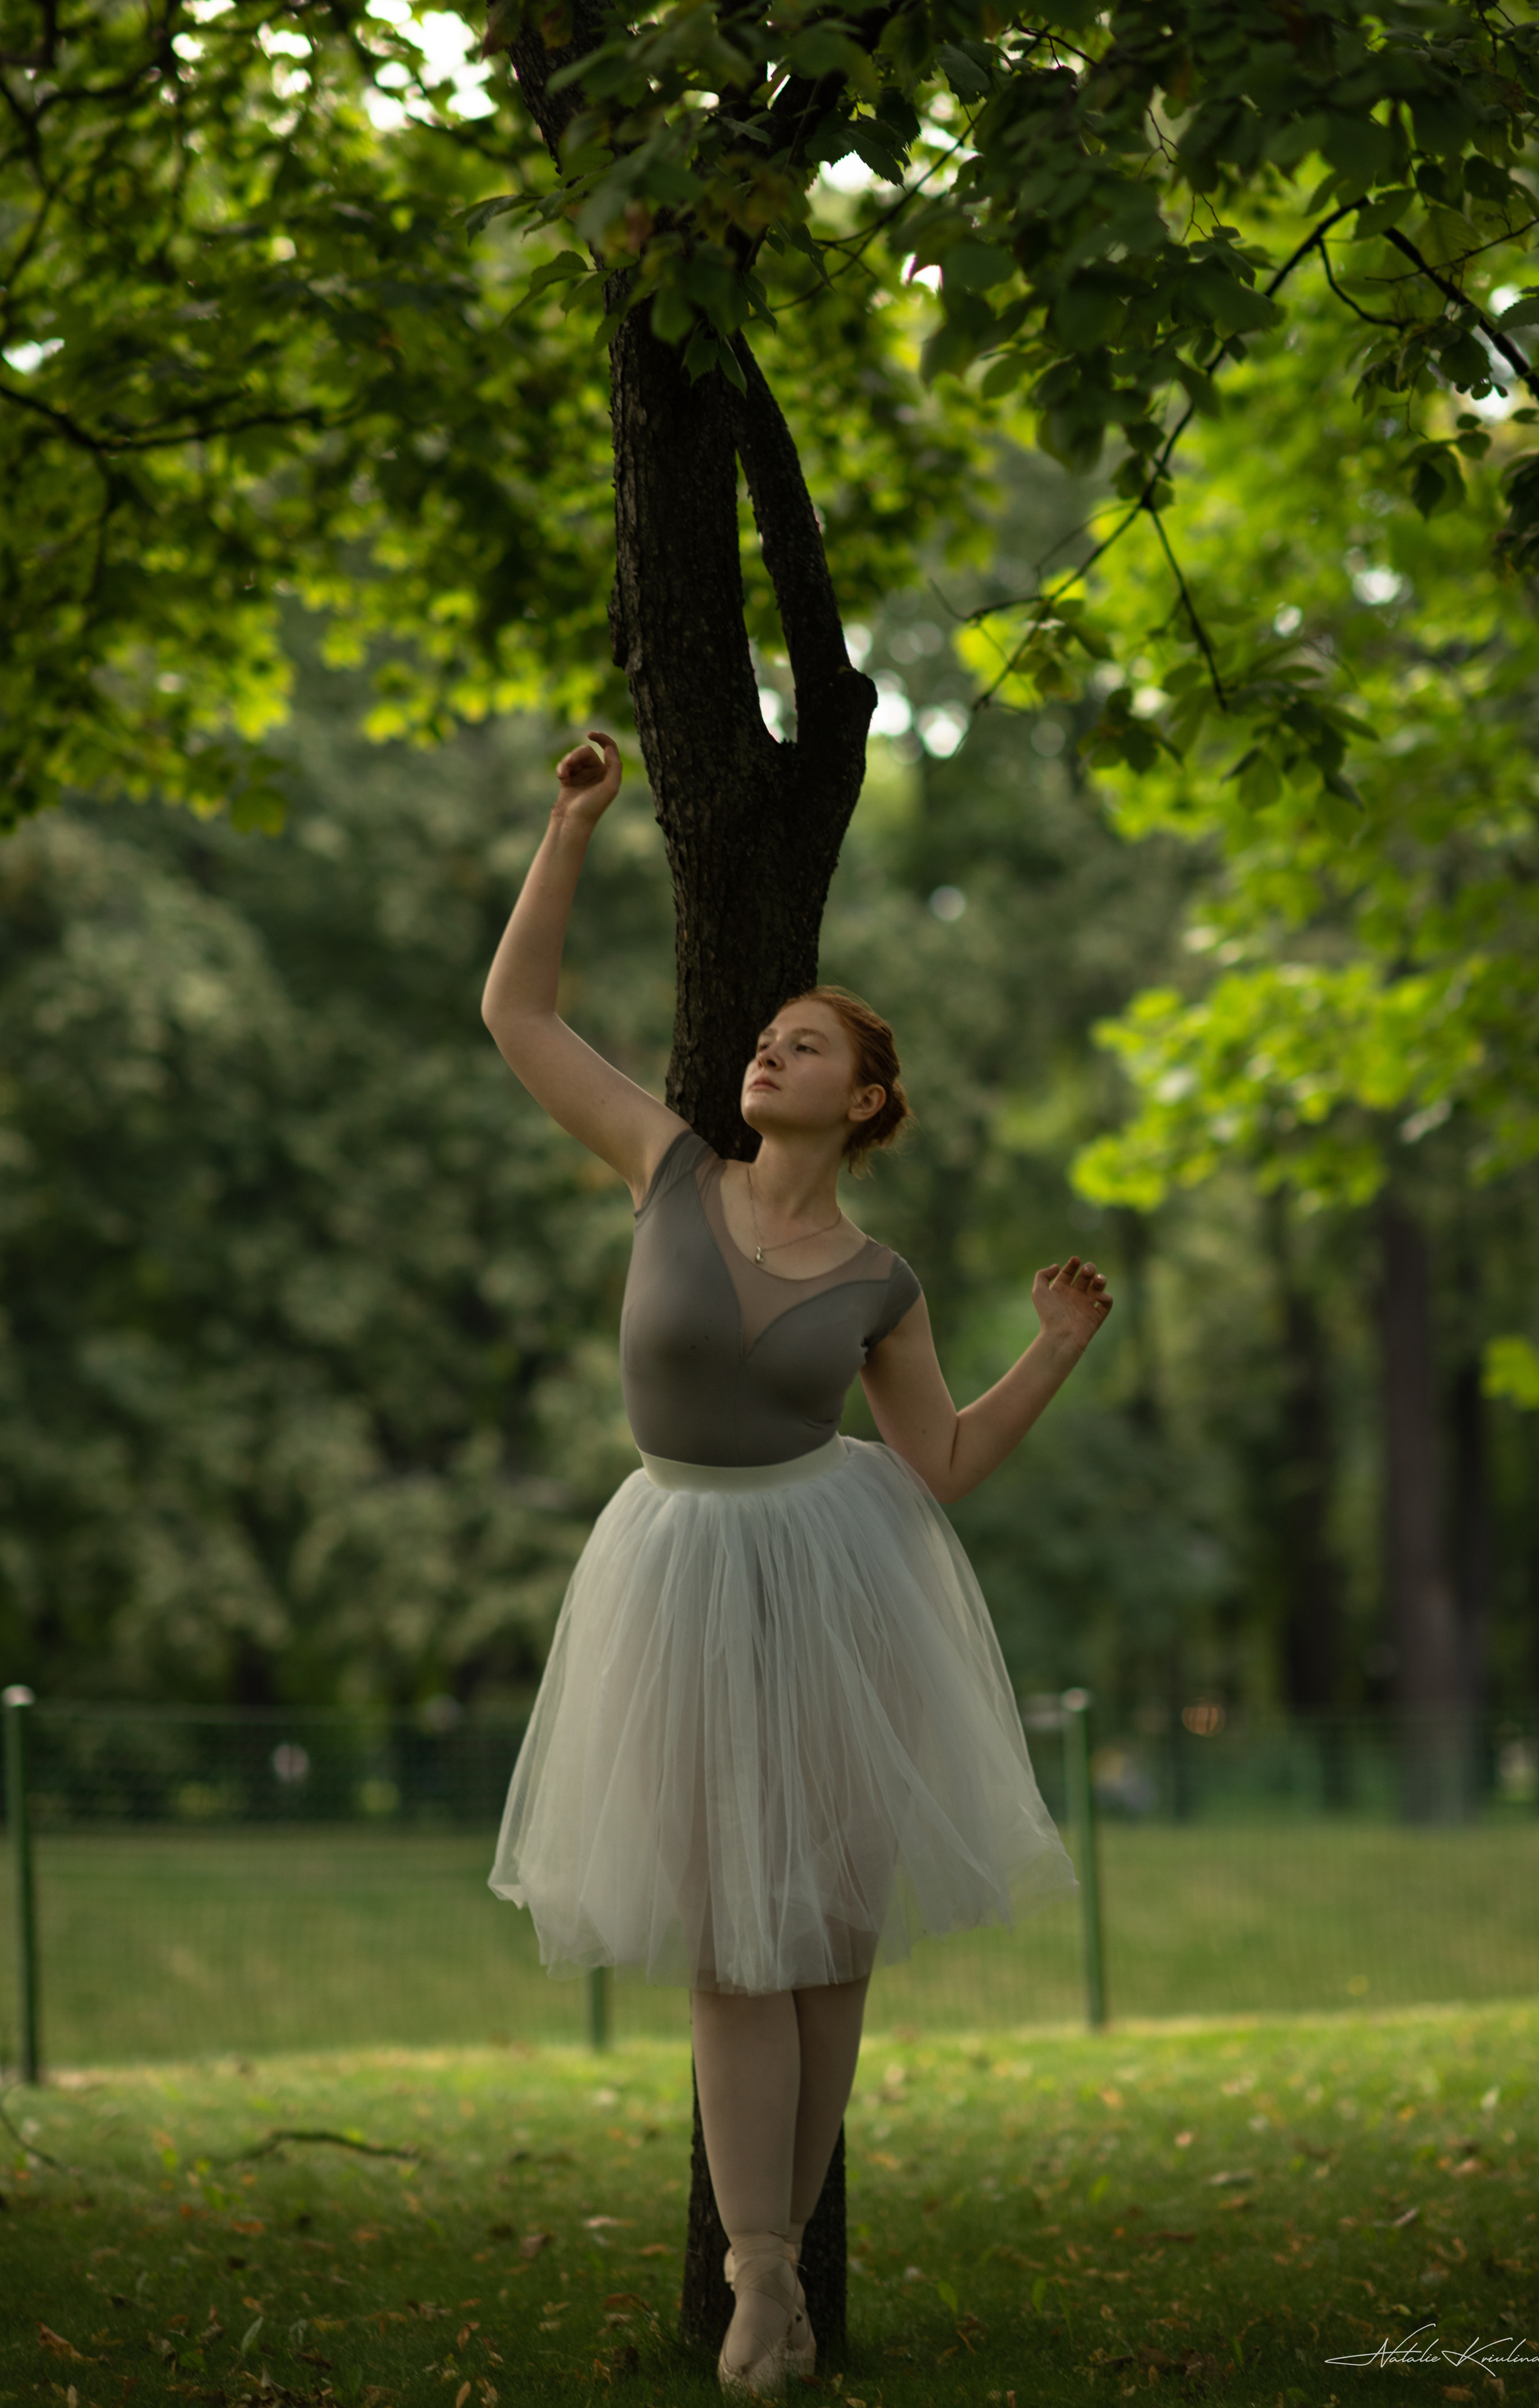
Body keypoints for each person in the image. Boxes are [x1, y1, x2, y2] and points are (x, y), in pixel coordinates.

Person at [483, 731, 1112, 2396]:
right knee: (729, 1939)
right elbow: (521, 1020)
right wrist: (572, 826)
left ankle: (780, 2277)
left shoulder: (883, 1278)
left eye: (804, 1042)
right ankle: (763, 2281)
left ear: (868, 1097)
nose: (768, 1051)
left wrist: (1046, 1352)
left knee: (828, 1934)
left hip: (838, 1573)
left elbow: (942, 1463)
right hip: (681, 1569)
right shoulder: (667, 1167)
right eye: (765, 1036)